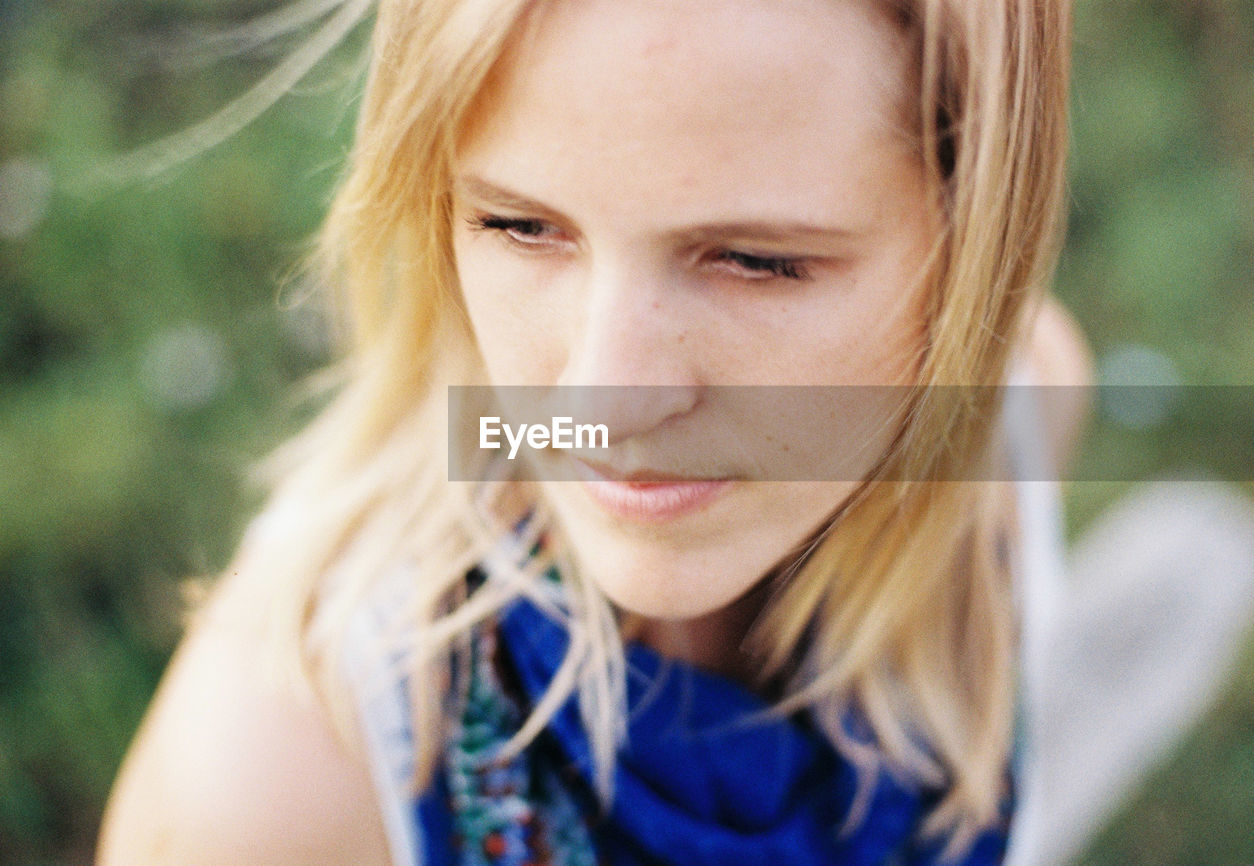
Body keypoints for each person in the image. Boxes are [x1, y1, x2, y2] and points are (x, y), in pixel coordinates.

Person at [97, 0, 1081, 863]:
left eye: (752, 259)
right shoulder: (280, 776)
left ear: (974, 235)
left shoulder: (1017, 425)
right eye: (518, 227)